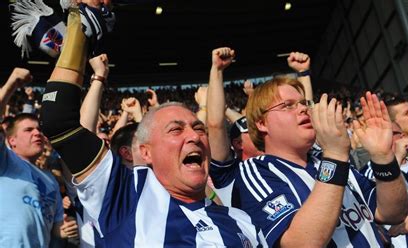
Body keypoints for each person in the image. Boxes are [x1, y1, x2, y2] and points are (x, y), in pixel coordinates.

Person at [39, 1, 267, 246]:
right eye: (176, 129)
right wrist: (78, 28)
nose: (194, 136)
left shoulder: (241, 221)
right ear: (145, 152)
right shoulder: (126, 196)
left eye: (198, 128)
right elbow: (59, 120)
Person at [210, 55, 408, 246]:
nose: (303, 109)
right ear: (262, 123)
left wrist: (384, 158)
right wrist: (336, 156)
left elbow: (392, 212)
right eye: (288, 106)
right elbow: (301, 243)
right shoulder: (256, 173)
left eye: (304, 104)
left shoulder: (325, 161)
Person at [0, 68, 76, 247]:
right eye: (28, 130)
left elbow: (54, 227)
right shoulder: (5, 161)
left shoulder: (50, 181)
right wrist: (10, 86)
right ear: (12, 141)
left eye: (39, 130)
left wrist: (62, 229)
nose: (37, 134)